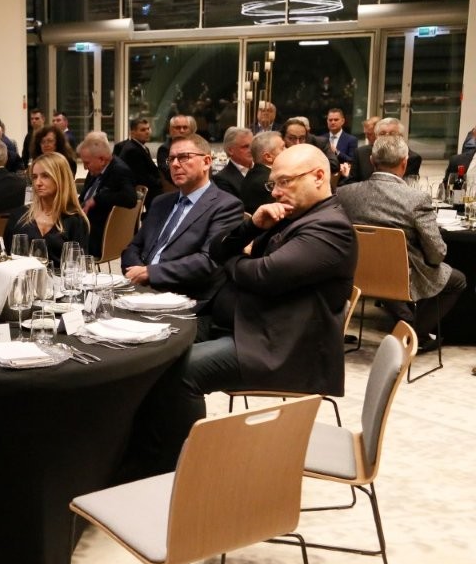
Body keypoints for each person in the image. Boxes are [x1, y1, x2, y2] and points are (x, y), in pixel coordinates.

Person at [123, 145, 357, 478]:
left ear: (319, 176)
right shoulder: (292, 214)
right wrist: (251, 227)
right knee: (155, 349)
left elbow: (260, 275)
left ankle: (178, 472)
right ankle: (141, 452)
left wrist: (233, 261)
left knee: (181, 372)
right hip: (245, 322)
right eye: (273, 183)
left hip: (278, 344)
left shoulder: (330, 228)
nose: (275, 192)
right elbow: (219, 247)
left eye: (285, 182)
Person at [337, 134, 466, 351]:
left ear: (372, 161)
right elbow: (437, 253)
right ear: (404, 163)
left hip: (355, 275)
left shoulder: (344, 194)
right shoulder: (416, 199)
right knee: (456, 280)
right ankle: (413, 335)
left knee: (392, 267)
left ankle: (406, 322)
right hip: (398, 279)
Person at [121, 132, 243, 314]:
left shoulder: (226, 206)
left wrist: (150, 273)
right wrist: (138, 272)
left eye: (184, 157)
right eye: (171, 159)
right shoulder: (161, 202)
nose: (175, 164)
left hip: (184, 299)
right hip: (141, 292)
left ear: (207, 162)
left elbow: (209, 261)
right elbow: (133, 247)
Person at [3, 151, 89, 266]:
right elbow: (8, 259)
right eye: (34, 177)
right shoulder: (19, 216)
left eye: (45, 176)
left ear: (61, 178)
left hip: (61, 277)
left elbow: (79, 266)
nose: (38, 183)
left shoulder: (75, 220)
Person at [78, 132, 138, 259]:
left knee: (58, 239)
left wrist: (98, 199)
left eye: (87, 163)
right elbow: (83, 198)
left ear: (101, 159)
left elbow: (131, 199)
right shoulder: (95, 171)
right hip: (83, 222)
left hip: (98, 234)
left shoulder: (120, 171)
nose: (85, 167)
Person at [113, 118, 163, 207]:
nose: (147, 132)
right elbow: (142, 176)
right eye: (143, 130)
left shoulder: (141, 147)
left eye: (148, 129)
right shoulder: (132, 150)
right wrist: (160, 182)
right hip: (141, 191)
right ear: (132, 133)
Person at [240, 131, 286, 214]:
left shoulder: (253, 174)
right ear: (268, 157)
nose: (287, 150)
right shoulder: (268, 182)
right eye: (283, 148)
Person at [211, 126, 253, 199]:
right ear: (230, 150)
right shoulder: (221, 179)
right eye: (245, 147)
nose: (251, 150)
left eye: (252, 145)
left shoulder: (262, 169)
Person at [155, 114, 196, 184]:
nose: (182, 130)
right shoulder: (164, 149)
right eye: (178, 128)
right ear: (170, 130)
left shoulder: (195, 146)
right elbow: (168, 173)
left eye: (185, 127)